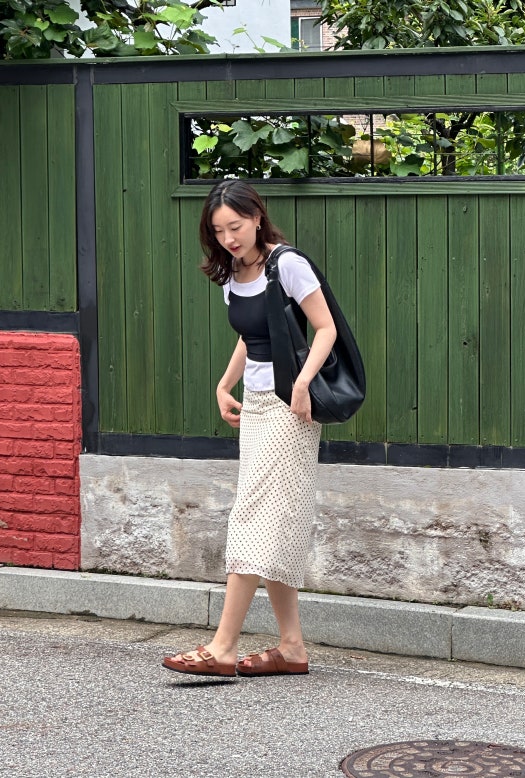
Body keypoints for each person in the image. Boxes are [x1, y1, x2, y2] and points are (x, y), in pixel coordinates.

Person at [162, 179, 337, 678]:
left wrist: (302, 383)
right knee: (270, 521)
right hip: (257, 406)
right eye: (218, 231)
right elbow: (250, 336)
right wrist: (224, 383)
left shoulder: (288, 265)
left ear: (257, 217)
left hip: (290, 408)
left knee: (252, 518)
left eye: (235, 227)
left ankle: (222, 647)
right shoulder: (233, 273)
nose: (228, 239)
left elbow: (324, 328)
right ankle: (292, 647)